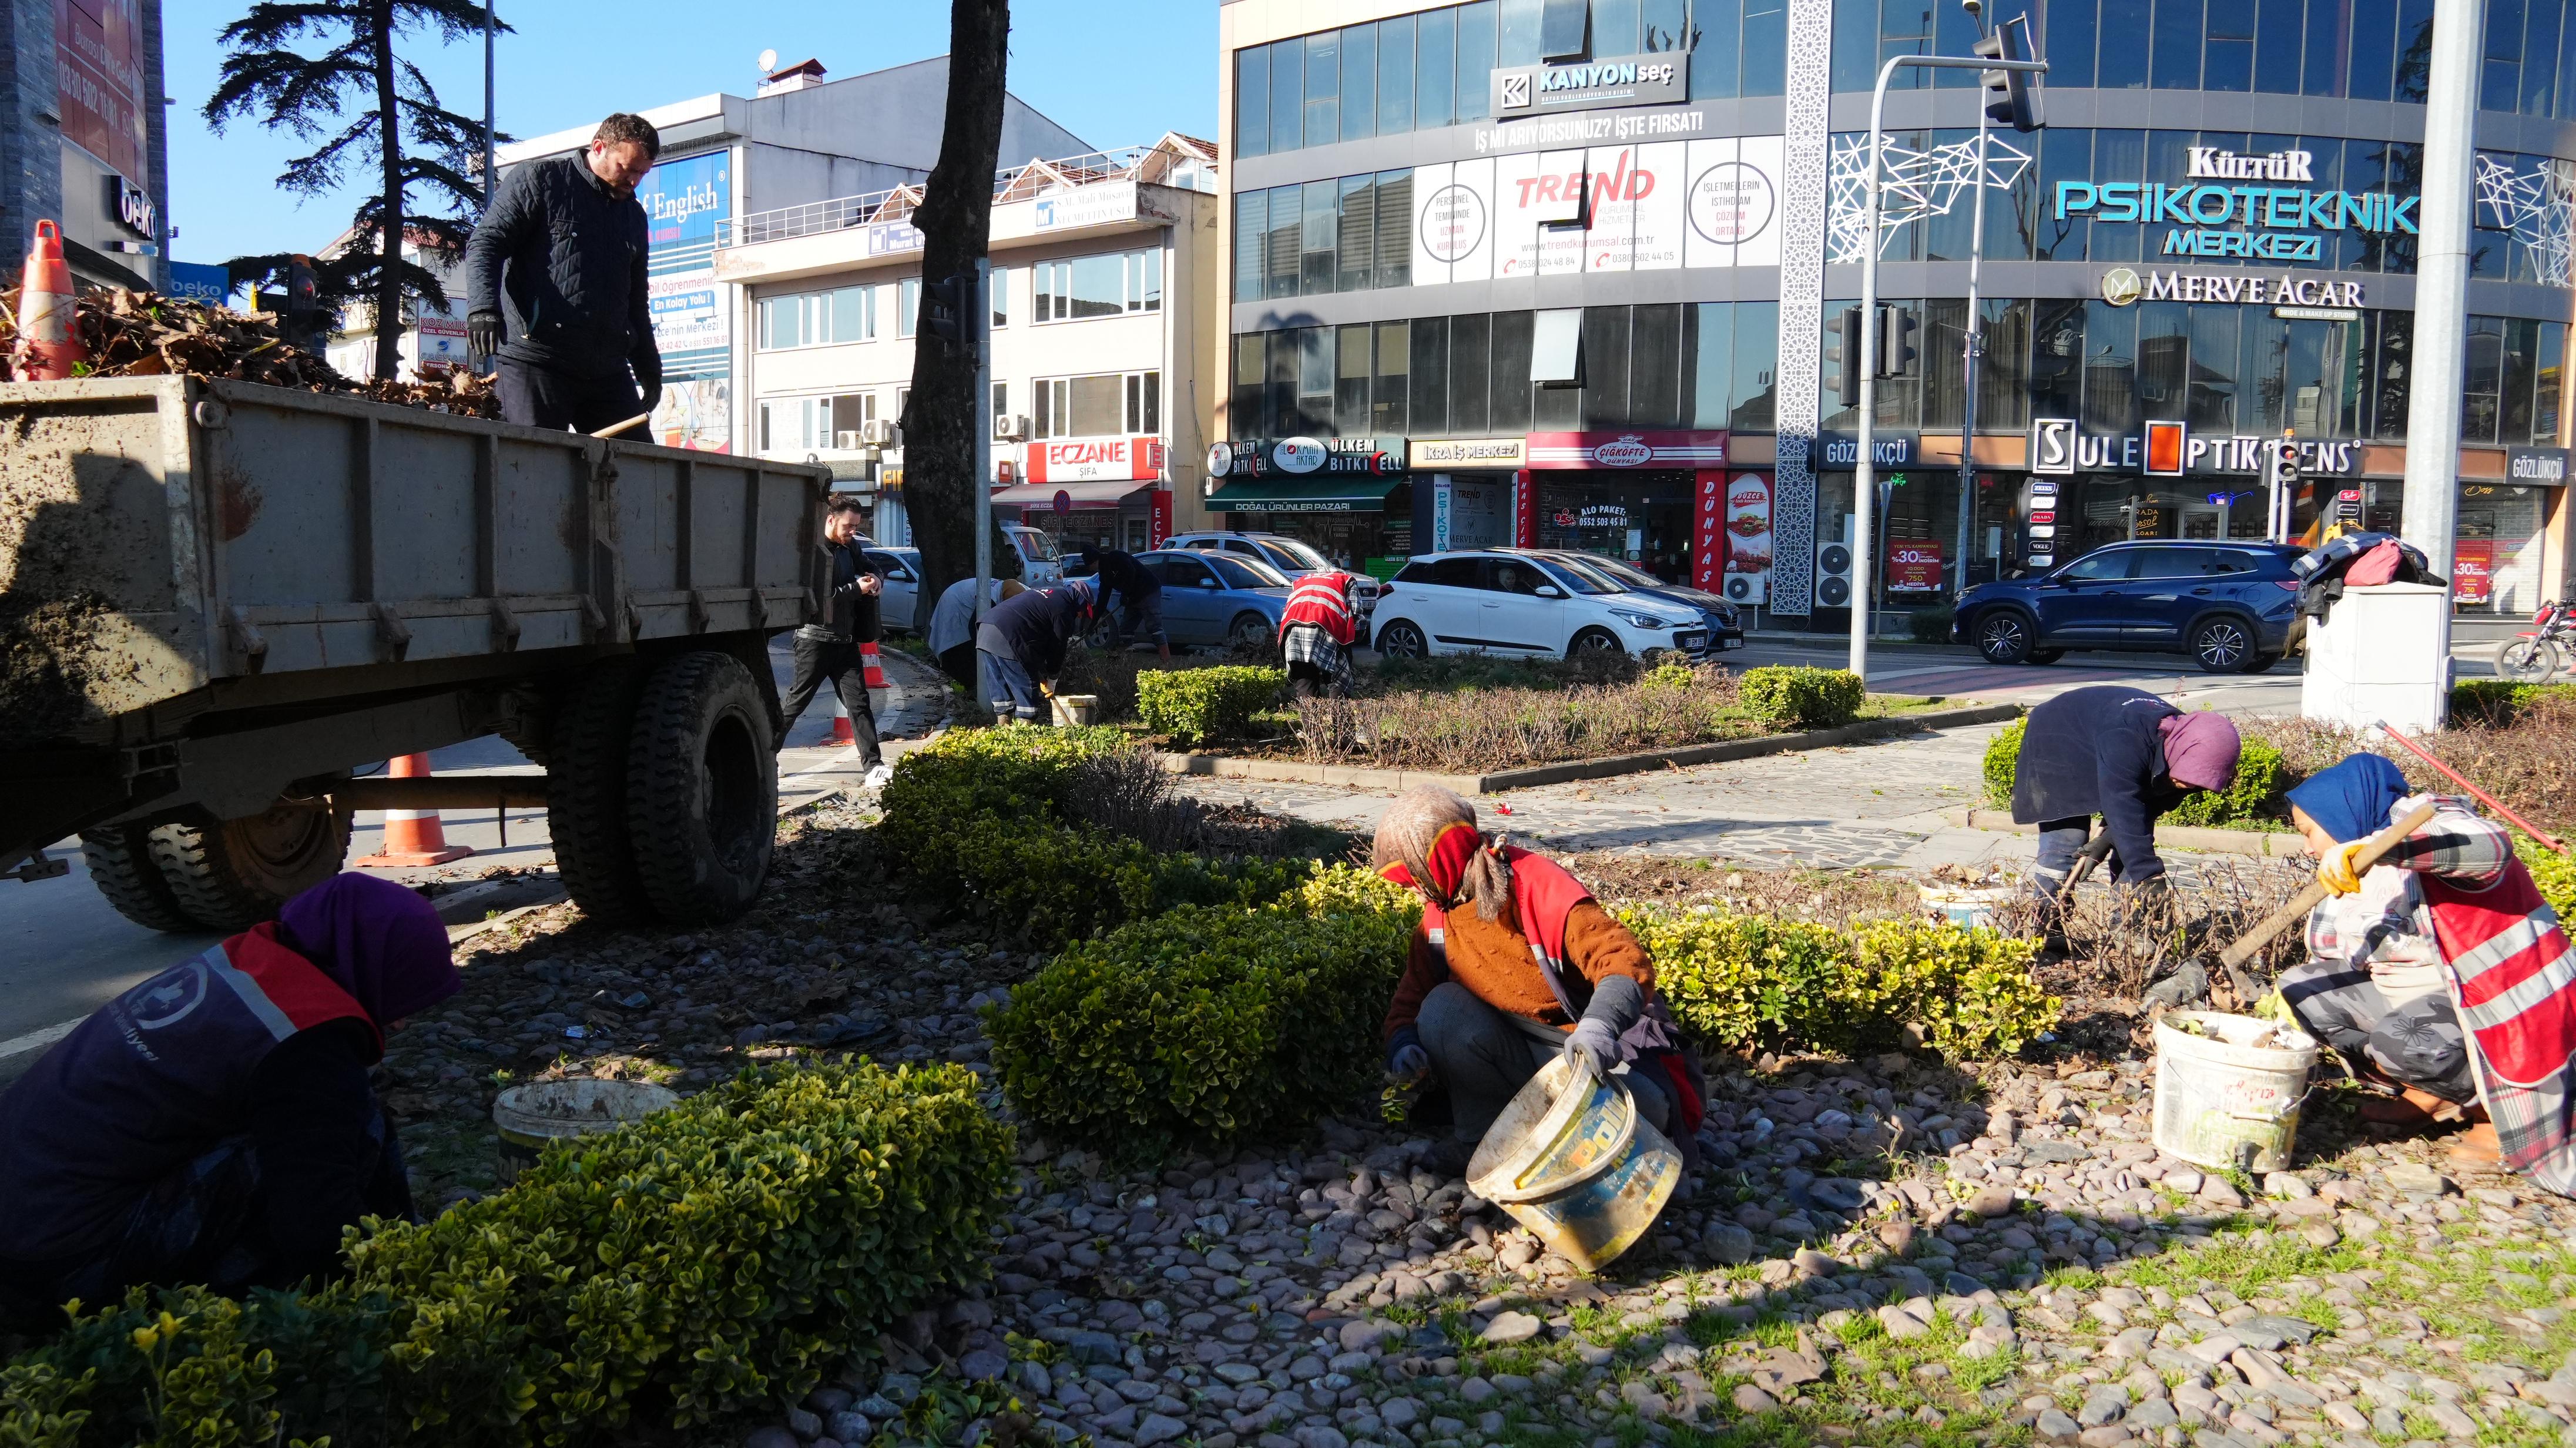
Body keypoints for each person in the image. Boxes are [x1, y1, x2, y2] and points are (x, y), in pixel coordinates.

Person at [0, 875, 458, 1329]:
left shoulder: (243, 959)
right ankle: (256, 1307)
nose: (398, 1024)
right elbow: (314, 1222)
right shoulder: (309, 1038)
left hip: (25, 1217)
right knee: (353, 1131)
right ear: (371, 963)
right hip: (58, 1267)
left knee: (319, 1129)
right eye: (403, 995)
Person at [1374, 786, 1704, 1178]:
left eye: (1410, 879)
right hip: (1518, 1052)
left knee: (1651, 1109)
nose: (1410, 891)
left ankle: (1595, 1149)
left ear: (1440, 862)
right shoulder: (1438, 918)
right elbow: (1412, 1000)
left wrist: (1599, 1027)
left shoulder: (1536, 884)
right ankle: (1482, 1139)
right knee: (1442, 1010)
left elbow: (1623, 959)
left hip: (1580, 1051)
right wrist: (1404, 1045)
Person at [2278, 754, 2576, 1182]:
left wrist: (2386, 848)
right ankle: (2429, 1095)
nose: (2307, 846)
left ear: (2341, 814)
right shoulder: (2354, 871)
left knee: (2400, 1040)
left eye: (2309, 832)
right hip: (2419, 1003)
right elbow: (2335, 953)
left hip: (2494, 1007)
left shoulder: (2426, 825)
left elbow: (2491, 847)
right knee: (2302, 989)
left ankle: (2494, 1119)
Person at [465, 113, 663, 434]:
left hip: (607, 369)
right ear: (598, 147)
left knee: (639, 471)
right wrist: (483, 308)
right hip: (535, 360)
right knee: (531, 466)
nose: (634, 181)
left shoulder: (634, 216)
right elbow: (486, 243)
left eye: (643, 173)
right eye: (626, 169)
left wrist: (649, 367)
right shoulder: (540, 180)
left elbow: (635, 300)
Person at [2012, 685, 2243, 900]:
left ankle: (2125, 927)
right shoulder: (2129, 737)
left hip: (2102, 732)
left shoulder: (2188, 740)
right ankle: (2048, 927)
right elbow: (2122, 801)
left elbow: (2149, 805)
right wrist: (2149, 874)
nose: (2187, 786)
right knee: (2065, 843)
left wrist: (2112, 837)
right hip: (2058, 737)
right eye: (2183, 779)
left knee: (2132, 844)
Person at [778, 497, 889, 786]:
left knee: (859, 703)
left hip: (845, 640)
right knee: (797, 702)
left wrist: (876, 579)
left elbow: (871, 565)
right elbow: (818, 598)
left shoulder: (850, 546)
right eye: (848, 526)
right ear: (830, 520)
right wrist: (855, 588)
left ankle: (874, 767)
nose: (853, 532)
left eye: (856, 526)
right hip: (814, 639)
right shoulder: (812, 551)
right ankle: (766, 757)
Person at [976, 578, 1096, 725]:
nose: (1080, 616)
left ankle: (1004, 729)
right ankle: (1026, 731)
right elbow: (1057, 648)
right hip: (1009, 634)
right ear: (1081, 602)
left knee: (1000, 687)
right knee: (1026, 683)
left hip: (987, 630)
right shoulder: (1064, 609)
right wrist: (1053, 678)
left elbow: (1036, 643)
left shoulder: (1049, 596)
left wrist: (1041, 672)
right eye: (1083, 612)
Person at [927, 567, 1028, 699]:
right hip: (956, 605)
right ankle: (975, 690)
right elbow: (976, 628)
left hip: (961, 596)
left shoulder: (1019, 591)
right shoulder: (989, 599)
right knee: (959, 648)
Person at [1280, 567, 1365, 699]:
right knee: (1338, 680)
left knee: (1305, 682)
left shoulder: (1302, 580)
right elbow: (1356, 610)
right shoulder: (1346, 579)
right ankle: (1339, 718)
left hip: (1293, 631)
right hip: (1325, 627)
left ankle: (1311, 719)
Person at [1091, 550, 1169, 662]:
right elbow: (1103, 599)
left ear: (1094, 562)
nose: (1090, 570)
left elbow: (1130, 571)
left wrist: (1125, 595)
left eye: (1089, 566)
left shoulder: (1115, 557)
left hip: (1148, 591)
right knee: (1126, 629)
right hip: (1133, 597)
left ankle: (1166, 662)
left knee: (1154, 627)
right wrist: (1094, 622)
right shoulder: (1104, 575)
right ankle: (1124, 662)